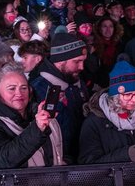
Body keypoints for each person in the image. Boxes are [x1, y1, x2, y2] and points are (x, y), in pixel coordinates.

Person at [0, 56, 64, 169]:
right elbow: (3, 160)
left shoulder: (40, 116)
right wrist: (37, 129)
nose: (19, 93)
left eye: (24, 88)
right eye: (12, 88)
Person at [78, 61, 135, 168]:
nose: (134, 99)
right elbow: (88, 164)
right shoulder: (94, 122)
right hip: (113, 179)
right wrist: (125, 155)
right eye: (127, 95)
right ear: (115, 96)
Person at [28, 32, 90, 164]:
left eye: (83, 61)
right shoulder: (37, 89)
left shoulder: (77, 83)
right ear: (60, 60)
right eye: (77, 61)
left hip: (82, 158)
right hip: (58, 164)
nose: (82, 67)